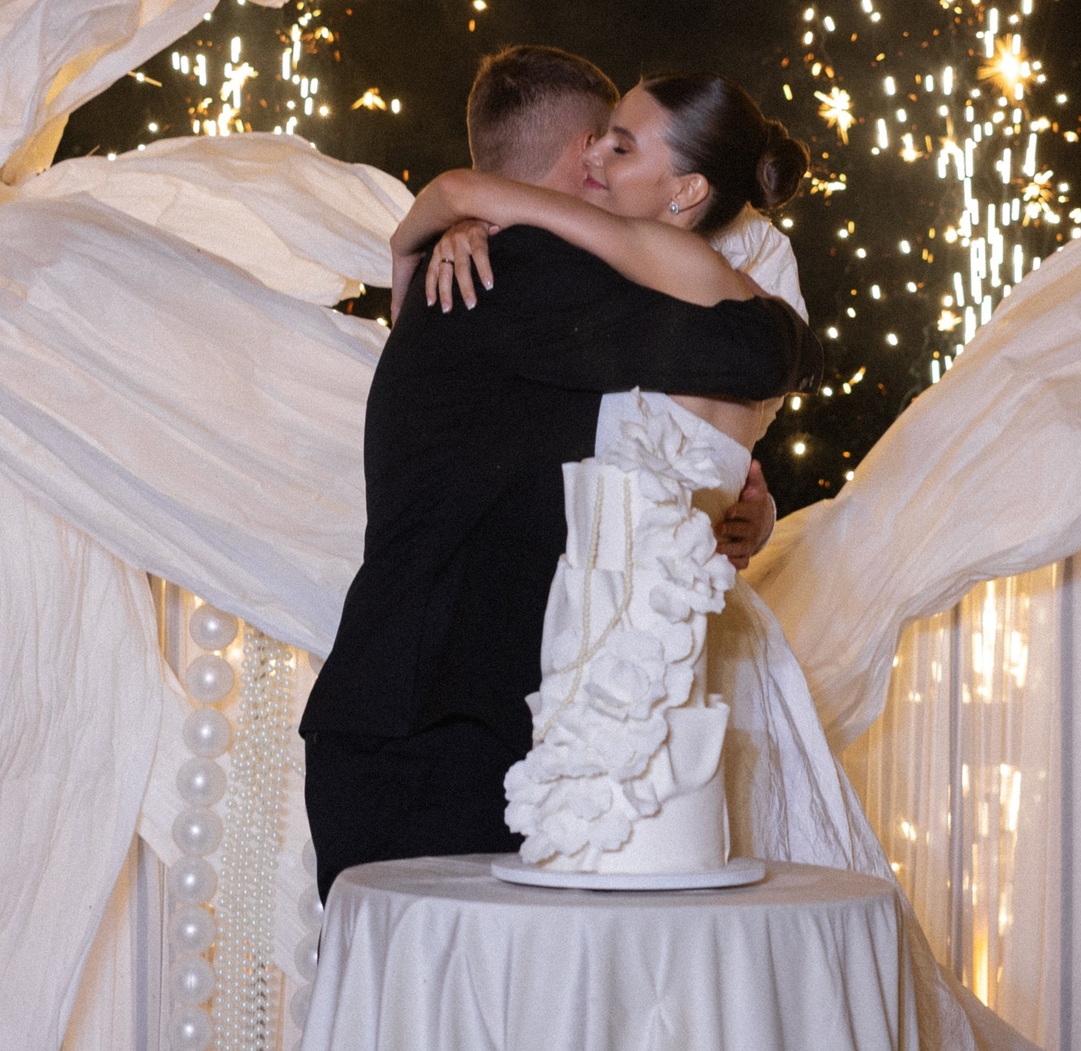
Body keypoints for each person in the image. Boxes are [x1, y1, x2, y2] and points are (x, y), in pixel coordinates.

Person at [301, 48, 818, 900]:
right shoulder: (514, 274)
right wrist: (451, 208)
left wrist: (728, 497)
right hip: (432, 738)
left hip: (458, 731)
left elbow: (644, 440)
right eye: (606, 147)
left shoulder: (497, 270)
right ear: (579, 155)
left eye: (628, 149)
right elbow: (762, 349)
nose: (607, 168)